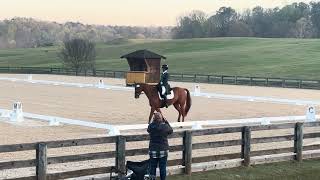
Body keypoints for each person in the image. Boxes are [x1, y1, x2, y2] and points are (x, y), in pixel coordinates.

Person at [147, 112, 173, 180]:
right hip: (163, 149)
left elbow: (148, 129)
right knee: (162, 167)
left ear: (154, 119)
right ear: (161, 119)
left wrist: (153, 120)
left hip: (153, 149)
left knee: (152, 167)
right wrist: (166, 121)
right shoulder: (165, 126)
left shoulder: (151, 126)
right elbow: (171, 130)